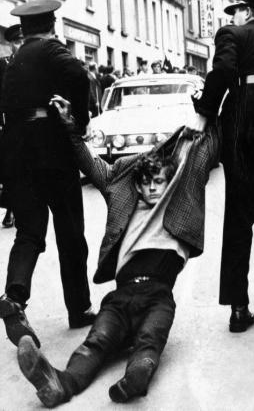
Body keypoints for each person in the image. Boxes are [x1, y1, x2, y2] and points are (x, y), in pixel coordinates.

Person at [16, 94, 219, 408]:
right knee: (97, 342)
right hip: (120, 297)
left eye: (159, 183)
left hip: (158, 296)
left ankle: (136, 377)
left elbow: (206, 150)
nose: (153, 188)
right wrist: (71, 130)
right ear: (137, 185)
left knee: (149, 341)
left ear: (169, 183)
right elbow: (94, 166)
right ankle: (58, 383)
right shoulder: (123, 196)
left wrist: (210, 111)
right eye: (147, 183)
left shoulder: (180, 199)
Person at [0, 0, 96, 349]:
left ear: (24, 30)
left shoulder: (12, 62)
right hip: (51, 149)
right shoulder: (52, 50)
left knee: (28, 232)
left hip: (16, 152)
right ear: (52, 24)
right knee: (70, 231)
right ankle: (79, 308)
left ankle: (15, 297)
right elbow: (80, 75)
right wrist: (80, 119)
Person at [192, 0, 254, 332]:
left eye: (236, 10)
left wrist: (205, 112)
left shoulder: (232, 34)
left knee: (239, 212)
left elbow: (224, 72)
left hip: (242, 125)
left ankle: (239, 306)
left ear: (245, 11)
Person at [0, 24, 24, 228]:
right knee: (11, 171)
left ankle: (16, 209)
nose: (21, 45)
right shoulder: (3, 65)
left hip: (29, 127)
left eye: (23, 41)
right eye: (17, 42)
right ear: (10, 45)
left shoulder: (34, 62)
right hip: (8, 127)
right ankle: (11, 208)